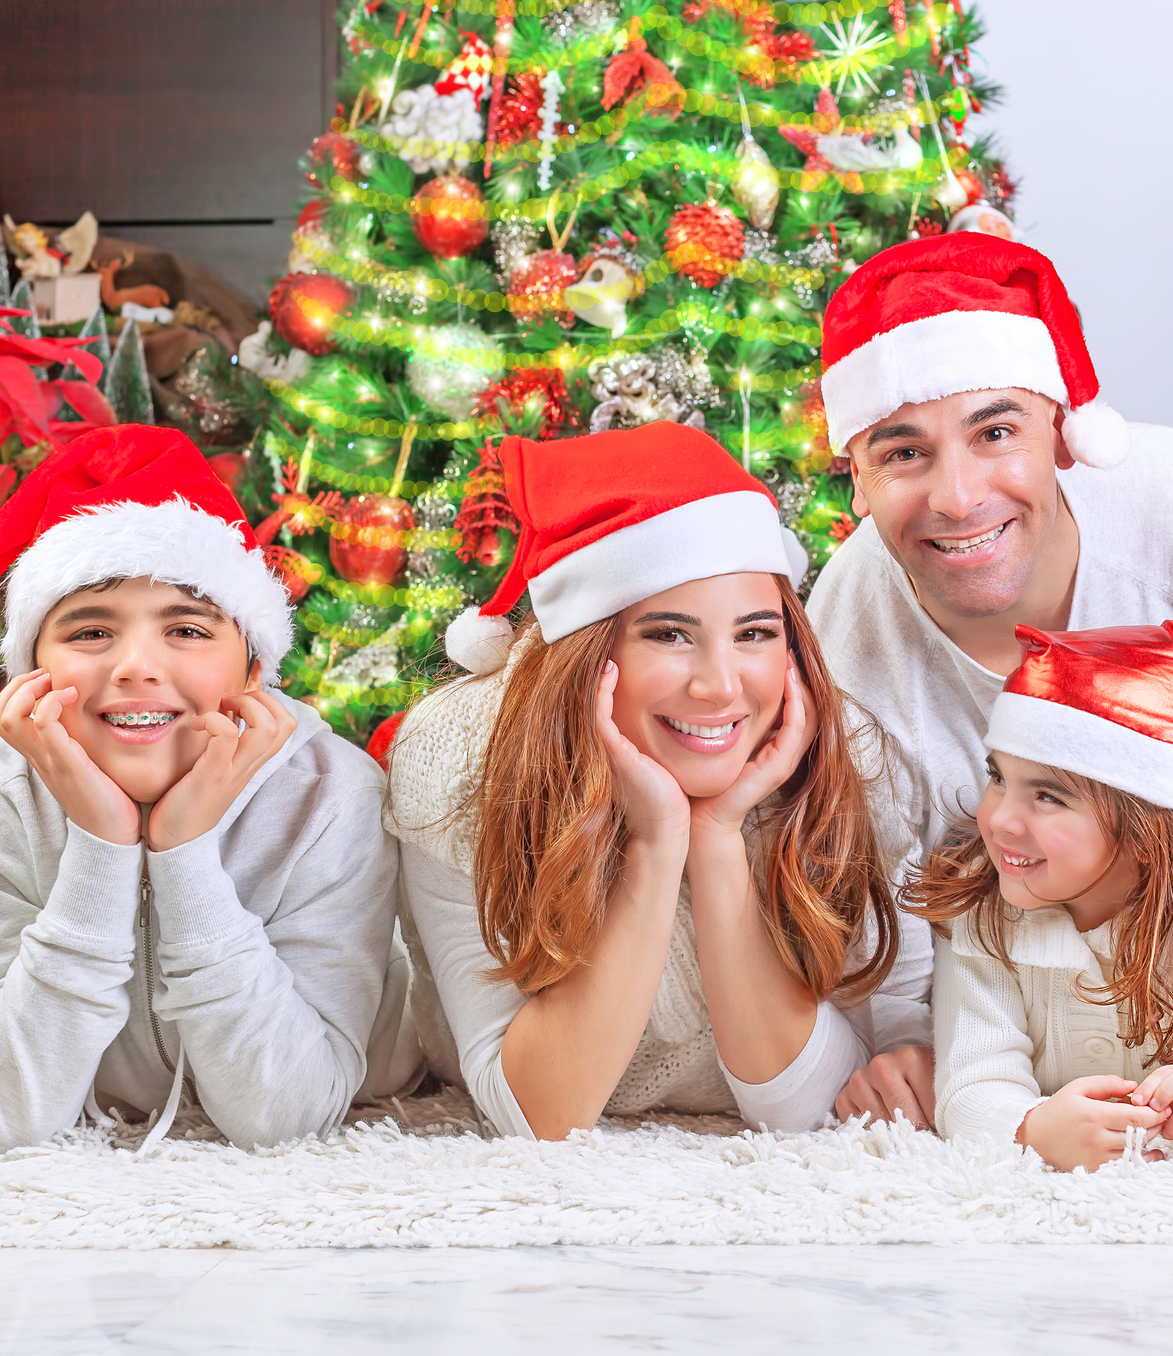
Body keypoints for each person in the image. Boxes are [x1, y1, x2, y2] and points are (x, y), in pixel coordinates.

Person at [806, 233, 1173, 1130]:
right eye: (902, 453)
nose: (958, 497)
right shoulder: (849, 632)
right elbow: (876, 893)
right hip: (1002, 1001)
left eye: (996, 433)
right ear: (854, 476)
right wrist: (929, 1055)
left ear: (1061, 430)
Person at [388, 422, 926, 1139]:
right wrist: (656, 841)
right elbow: (540, 1114)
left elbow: (813, 1107)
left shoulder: (838, 752)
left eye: (755, 633)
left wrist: (718, 838)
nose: (720, 686)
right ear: (587, 651)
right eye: (669, 634)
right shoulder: (463, 757)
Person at [0, 425, 417, 1153]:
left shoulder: (330, 794)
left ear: (253, 669)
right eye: (90, 633)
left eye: (186, 629)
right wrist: (101, 844)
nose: (136, 667)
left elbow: (287, 1119)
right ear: (29, 670)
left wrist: (184, 854)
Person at [907, 619, 1173, 1171]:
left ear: (1151, 834)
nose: (1001, 818)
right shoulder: (985, 917)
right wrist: (1031, 1130)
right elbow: (971, 1085)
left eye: (1048, 796)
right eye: (999, 777)